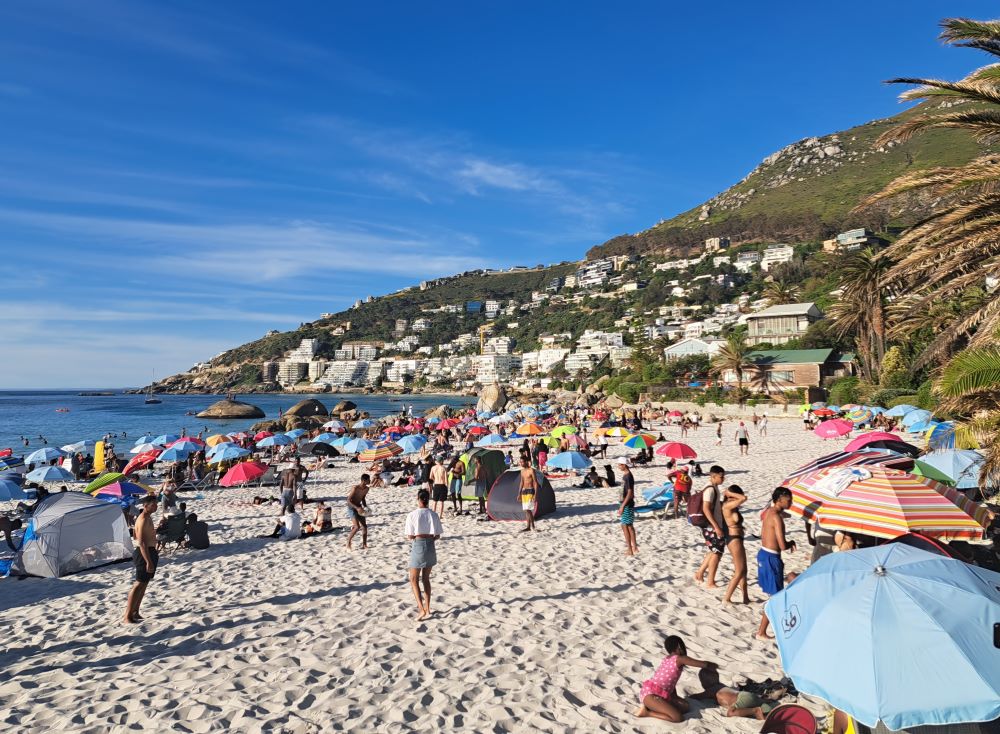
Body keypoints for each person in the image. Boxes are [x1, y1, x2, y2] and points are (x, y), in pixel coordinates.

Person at [633, 635, 718, 723]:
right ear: (679, 646)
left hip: (654, 692)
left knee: (685, 707)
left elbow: (670, 681)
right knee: (678, 718)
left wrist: (675, 697)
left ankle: (653, 707)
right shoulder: (680, 659)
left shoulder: (668, 658)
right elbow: (700, 664)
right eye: (682, 646)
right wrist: (713, 666)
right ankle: (648, 713)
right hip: (651, 695)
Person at [756, 487, 797, 640]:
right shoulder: (777, 517)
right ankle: (761, 632)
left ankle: (765, 627)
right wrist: (790, 542)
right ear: (779, 500)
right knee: (776, 597)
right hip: (772, 558)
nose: (791, 503)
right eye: (788, 500)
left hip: (763, 554)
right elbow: (782, 545)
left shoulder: (769, 512)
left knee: (775, 595)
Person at [405, 489, 443, 621]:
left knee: (413, 579)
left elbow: (410, 536)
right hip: (430, 545)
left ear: (418, 499)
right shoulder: (433, 514)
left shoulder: (412, 515)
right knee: (426, 578)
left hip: (419, 544)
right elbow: (437, 535)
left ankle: (421, 609)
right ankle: (428, 607)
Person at [124, 494, 158, 623]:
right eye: (153, 505)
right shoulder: (143, 518)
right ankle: (127, 616)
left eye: (156, 504)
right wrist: (148, 561)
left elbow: (135, 535)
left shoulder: (147, 517)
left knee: (144, 584)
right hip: (144, 553)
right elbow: (141, 542)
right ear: (145, 506)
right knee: (138, 584)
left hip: (150, 551)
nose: (155, 507)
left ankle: (135, 612)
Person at [694, 465, 727, 588]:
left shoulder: (714, 487)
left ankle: (699, 573)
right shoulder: (710, 489)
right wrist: (716, 527)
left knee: (712, 551)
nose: (723, 479)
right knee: (717, 553)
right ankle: (710, 581)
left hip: (711, 525)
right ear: (713, 476)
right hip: (711, 526)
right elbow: (706, 509)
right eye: (721, 476)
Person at [721, 486, 750, 605]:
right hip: (734, 540)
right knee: (739, 570)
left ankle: (745, 597)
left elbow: (742, 498)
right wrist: (729, 493)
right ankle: (726, 598)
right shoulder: (727, 506)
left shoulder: (733, 505)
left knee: (744, 570)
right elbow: (744, 498)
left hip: (738, 538)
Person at [617, 459, 638, 556]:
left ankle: (630, 549)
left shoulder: (628, 476)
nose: (619, 466)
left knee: (625, 525)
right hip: (625, 503)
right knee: (629, 525)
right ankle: (634, 547)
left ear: (624, 465)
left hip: (627, 504)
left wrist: (622, 506)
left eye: (620, 465)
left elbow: (630, 492)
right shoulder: (626, 475)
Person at [346, 474, 371, 550]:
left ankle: (364, 544)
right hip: (352, 507)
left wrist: (365, 506)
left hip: (359, 507)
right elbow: (348, 500)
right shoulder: (355, 488)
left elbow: (363, 498)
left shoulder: (367, 489)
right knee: (357, 527)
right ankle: (348, 542)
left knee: (364, 526)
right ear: (363, 480)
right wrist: (356, 508)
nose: (370, 481)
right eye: (368, 480)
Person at [518, 457, 538, 532]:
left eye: (522, 462)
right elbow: (521, 482)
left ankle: (532, 526)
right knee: (526, 510)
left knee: (528, 509)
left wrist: (535, 494)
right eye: (520, 462)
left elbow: (535, 482)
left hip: (530, 490)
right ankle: (528, 526)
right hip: (524, 491)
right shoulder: (522, 471)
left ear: (526, 462)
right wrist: (519, 493)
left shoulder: (531, 470)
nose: (521, 463)